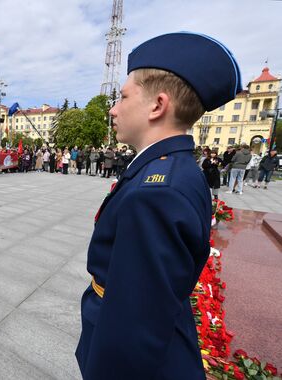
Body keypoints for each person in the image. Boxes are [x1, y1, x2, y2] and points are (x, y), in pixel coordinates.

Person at [76, 32, 242, 379]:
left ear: (157, 105)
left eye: (122, 97)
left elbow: (134, 323)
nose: (113, 108)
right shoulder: (172, 169)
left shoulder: (156, 191)